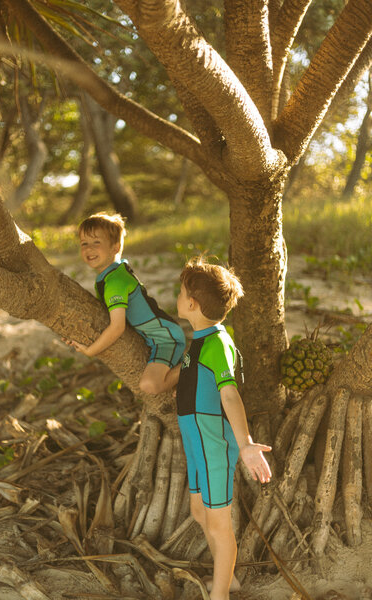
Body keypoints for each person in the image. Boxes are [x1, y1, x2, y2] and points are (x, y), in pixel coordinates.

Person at [166, 257, 272, 600]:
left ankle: (222, 594)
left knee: (218, 525)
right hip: (196, 444)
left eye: (181, 292)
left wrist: (245, 445)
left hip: (214, 447)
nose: (178, 297)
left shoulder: (217, 345)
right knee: (200, 512)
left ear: (192, 304)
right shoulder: (199, 339)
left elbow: (229, 395)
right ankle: (227, 579)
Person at [64, 212, 185, 394]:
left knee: (150, 386)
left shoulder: (115, 282)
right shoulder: (111, 274)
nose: (89, 249)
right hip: (151, 337)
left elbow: (117, 327)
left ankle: (193, 366)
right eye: (84, 243)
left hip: (165, 338)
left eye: (97, 243)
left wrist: (91, 351)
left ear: (115, 247)